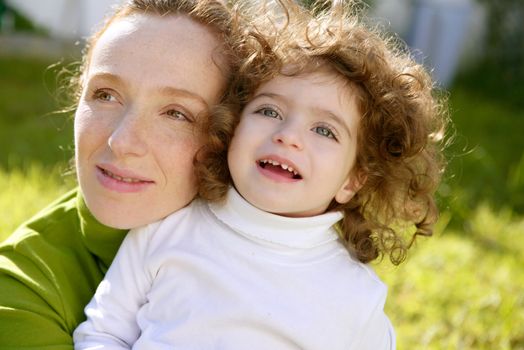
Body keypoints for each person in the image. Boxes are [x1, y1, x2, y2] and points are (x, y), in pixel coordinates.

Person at [73, 1, 448, 349]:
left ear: (353, 180)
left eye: (324, 131)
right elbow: (104, 331)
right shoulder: (166, 232)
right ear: (232, 126)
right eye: (269, 111)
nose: (287, 136)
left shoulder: (356, 298)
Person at [0, 0, 243, 348]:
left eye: (176, 113)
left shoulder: (310, 253)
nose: (121, 141)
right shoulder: (18, 291)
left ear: (232, 134)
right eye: (106, 95)